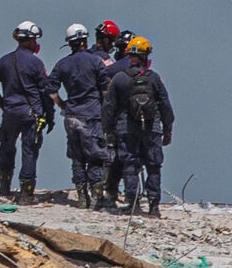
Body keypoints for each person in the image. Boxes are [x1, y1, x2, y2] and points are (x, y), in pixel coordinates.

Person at [0, 21, 54, 206]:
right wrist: (49, 116)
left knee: (6, 149)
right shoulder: (36, 63)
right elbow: (45, 92)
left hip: (10, 114)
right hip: (32, 115)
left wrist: (0, 101)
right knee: (29, 152)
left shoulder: (5, 61)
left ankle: (4, 188)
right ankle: (26, 195)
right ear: (31, 41)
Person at [102, 36, 173, 217]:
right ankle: (154, 206)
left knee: (130, 166)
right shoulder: (155, 79)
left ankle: (132, 204)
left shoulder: (119, 79)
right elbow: (165, 106)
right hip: (152, 128)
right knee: (153, 166)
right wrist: (167, 130)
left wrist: (109, 131)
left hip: (127, 128)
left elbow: (109, 107)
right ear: (145, 56)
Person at [46, 24, 111, 209]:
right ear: (85, 40)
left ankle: (82, 197)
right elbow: (106, 89)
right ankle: (97, 198)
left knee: (77, 158)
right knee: (96, 157)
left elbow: (51, 89)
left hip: (71, 116)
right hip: (92, 115)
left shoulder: (62, 64)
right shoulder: (95, 62)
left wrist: (62, 104)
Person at [101, 28, 139, 207]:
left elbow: (107, 99)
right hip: (140, 121)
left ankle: (111, 191)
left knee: (116, 157)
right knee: (135, 160)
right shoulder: (146, 73)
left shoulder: (114, 70)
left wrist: (107, 124)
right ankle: (135, 198)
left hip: (119, 120)